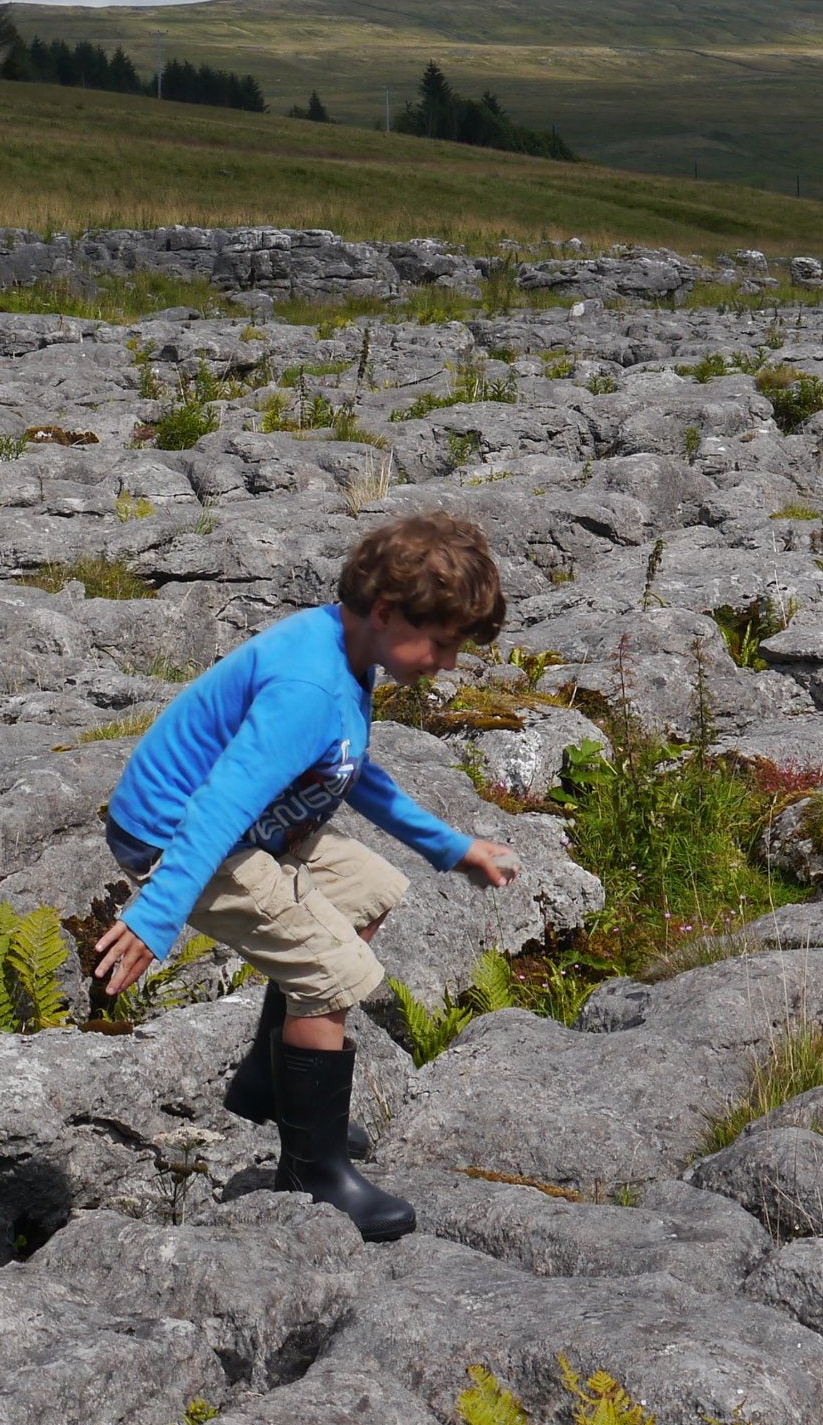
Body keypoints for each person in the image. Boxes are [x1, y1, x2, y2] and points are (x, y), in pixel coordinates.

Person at [90, 512, 522, 1241]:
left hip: (254, 826)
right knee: (333, 970)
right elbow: (220, 802)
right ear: (387, 613)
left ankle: (272, 1083)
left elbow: (352, 772)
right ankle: (312, 1170)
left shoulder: (347, 650)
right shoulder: (309, 685)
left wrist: (452, 846)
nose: (447, 666)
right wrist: (157, 916)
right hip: (182, 839)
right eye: (442, 645)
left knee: (369, 892)